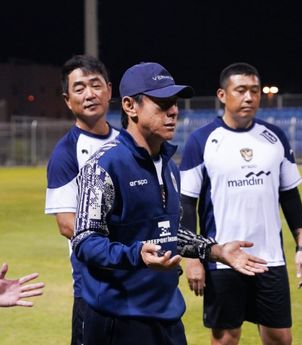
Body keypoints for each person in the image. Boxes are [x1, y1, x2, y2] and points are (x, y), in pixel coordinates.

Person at [71, 61, 268, 345]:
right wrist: (137, 254)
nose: (173, 111)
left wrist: (213, 250)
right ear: (130, 106)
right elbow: (85, 240)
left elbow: (167, 232)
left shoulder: (169, 167)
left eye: (174, 103)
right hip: (118, 319)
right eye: (162, 103)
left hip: (167, 316)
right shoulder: (103, 165)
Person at [179, 62, 302, 345]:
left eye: (254, 90)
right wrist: (192, 258)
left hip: (270, 258)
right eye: (241, 90)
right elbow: (187, 204)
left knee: (280, 338)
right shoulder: (201, 141)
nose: (249, 97)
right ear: (222, 95)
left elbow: (289, 195)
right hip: (223, 257)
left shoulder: (275, 137)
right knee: (226, 338)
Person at [45, 55, 119, 345]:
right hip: (93, 286)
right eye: (79, 88)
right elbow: (66, 223)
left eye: (95, 85)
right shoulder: (66, 152)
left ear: (109, 91)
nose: (89, 94)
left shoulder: (127, 141)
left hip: (137, 279)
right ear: (68, 99)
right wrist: (124, 248)